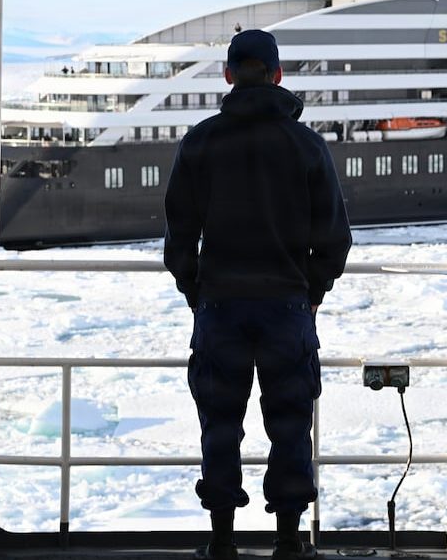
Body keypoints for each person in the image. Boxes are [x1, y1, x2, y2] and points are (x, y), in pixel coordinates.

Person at [164, 29, 352, 560]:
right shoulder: (308, 145)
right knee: (290, 422)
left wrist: (196, 291)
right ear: (277, 75)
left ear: (228, 75)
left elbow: (179, 237)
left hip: (219, 306)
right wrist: (311, 291)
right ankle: (290, 543)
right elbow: (334, 238)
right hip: (287, 308)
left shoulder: (199, 142)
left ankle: (221, 542)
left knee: (219, 424)